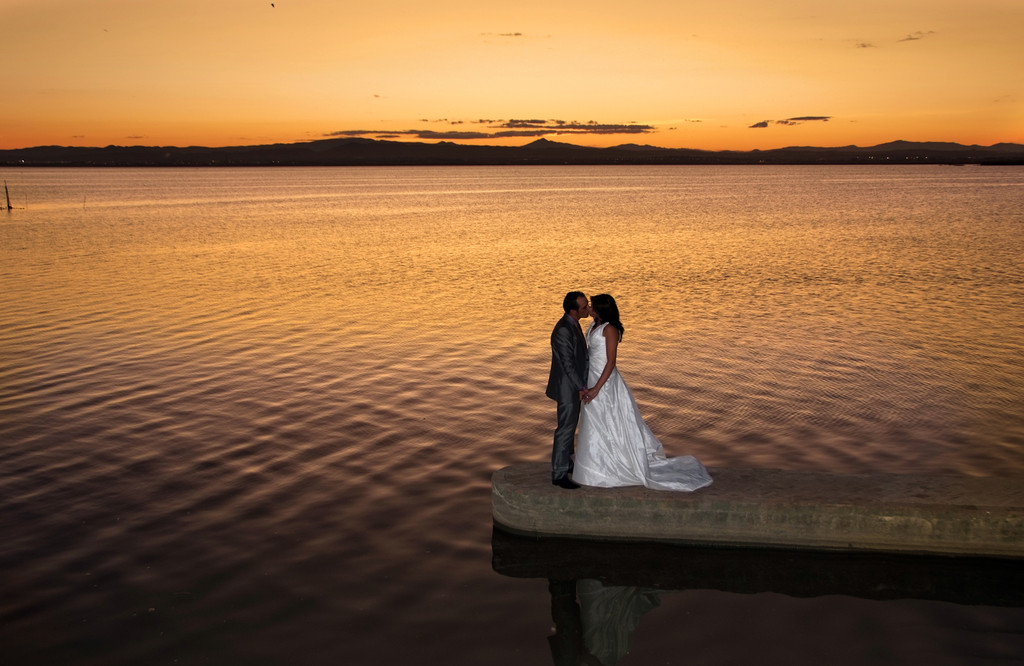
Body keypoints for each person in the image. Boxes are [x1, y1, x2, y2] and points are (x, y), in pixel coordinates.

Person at [574, 294, 712, 491]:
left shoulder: (610, 329)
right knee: (594, 421)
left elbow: (611, 362)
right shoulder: (594, 325)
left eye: (592, 307)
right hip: (591, 377)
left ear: (601, 310)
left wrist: (597, 388)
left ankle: (612, 466)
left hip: (604, 381)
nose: (589, 309)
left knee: (608, 420)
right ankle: (597, 465)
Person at [546, 291, 591, 490]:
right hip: (567, 387)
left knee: (570, 426)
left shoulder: (572, 324)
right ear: (573, 310)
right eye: (584, 307)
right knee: (565, 429)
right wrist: (581, 386)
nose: (587, 308)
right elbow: (567, 363)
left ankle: (567, 462)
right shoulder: (564, 330)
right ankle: (559, 473)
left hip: (571, 385)